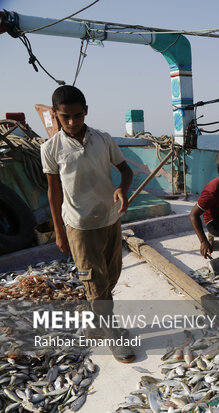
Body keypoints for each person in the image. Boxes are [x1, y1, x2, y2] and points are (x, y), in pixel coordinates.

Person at [40, 85, 135, 363]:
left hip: (109, 219)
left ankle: (94, 323)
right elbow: (53, 192)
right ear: (56, 116)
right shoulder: (50, 148)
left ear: (86, 111)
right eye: (65, 117)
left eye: (78, 116)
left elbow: (125, 170)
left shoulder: (104, 139)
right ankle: (112, 333)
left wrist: (122, 189)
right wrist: (59, 232)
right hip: (79, 227)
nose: (72, 122)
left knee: (111, 275)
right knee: (95, 283)